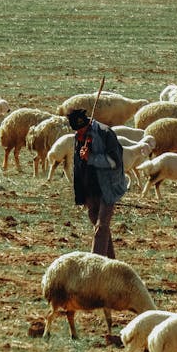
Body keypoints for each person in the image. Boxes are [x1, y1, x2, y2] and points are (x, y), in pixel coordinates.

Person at [67, 108, 128, 259]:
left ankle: (95, 264)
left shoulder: (105, 133)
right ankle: (111, 263)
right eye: (76, 131)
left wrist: (92, 157)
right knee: (100, 228)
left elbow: (115, 162)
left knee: (101, 227)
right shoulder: (78, 136)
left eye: (81, 130)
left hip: (107, 188)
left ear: (86, 124)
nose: (78, 134)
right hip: (89, 189)